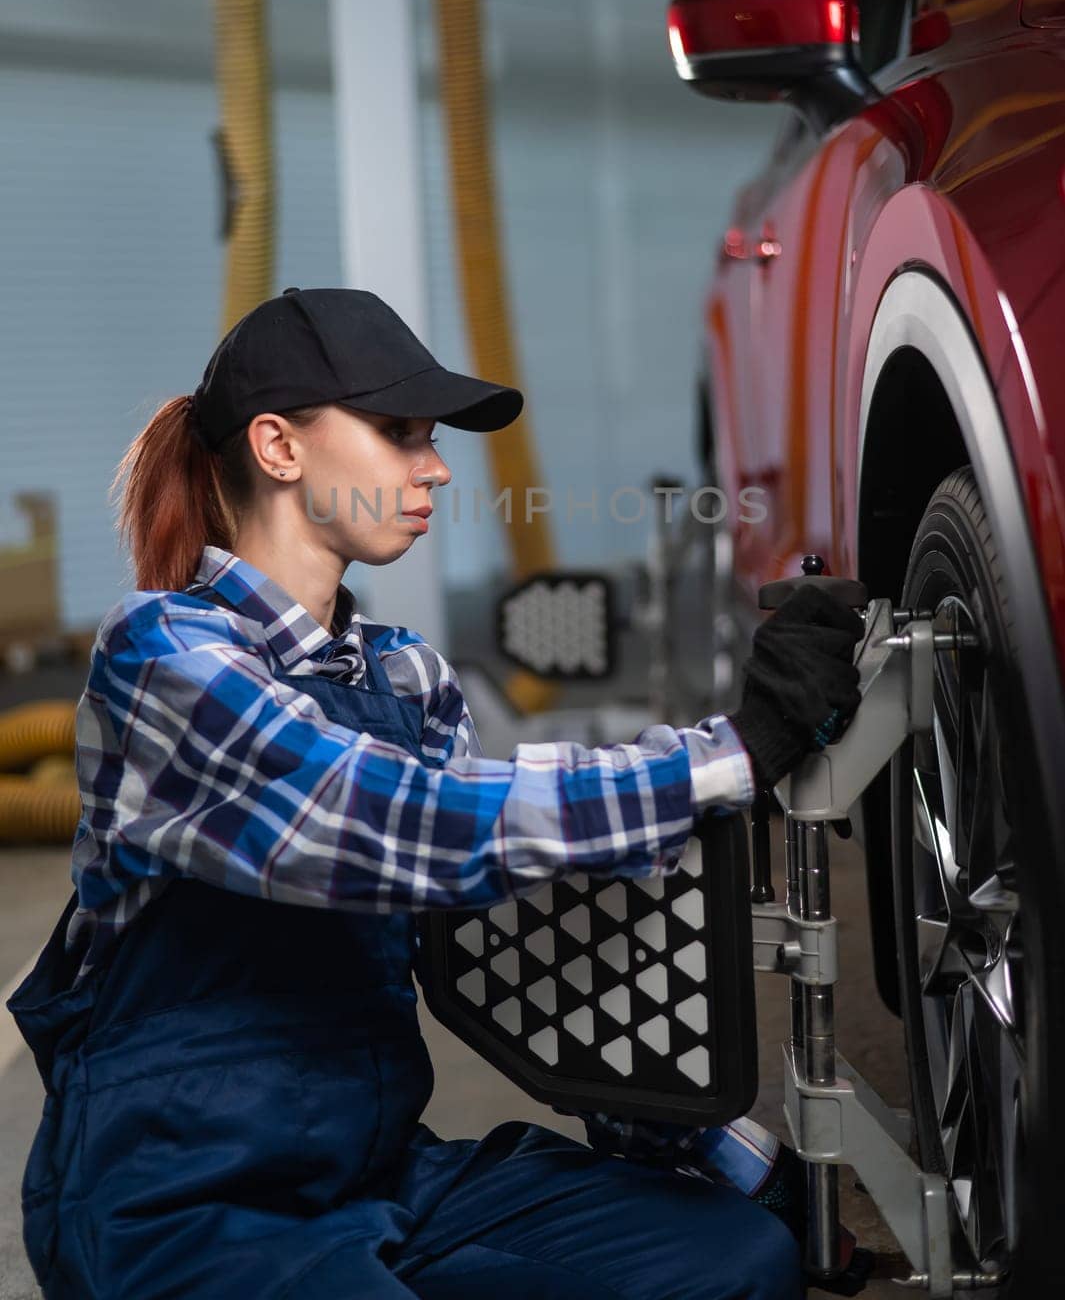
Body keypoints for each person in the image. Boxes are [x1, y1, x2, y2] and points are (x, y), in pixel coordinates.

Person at [8, 287, 864, 1300]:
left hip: (373, 1174)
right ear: (279, 447)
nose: (439, 467)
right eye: (400, 433)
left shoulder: (402, 676)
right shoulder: (164, 653)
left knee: (728, 1260)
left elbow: (530, 958)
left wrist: (749, 1172)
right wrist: (733, 754)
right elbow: (397, 822)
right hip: (183, 1201)